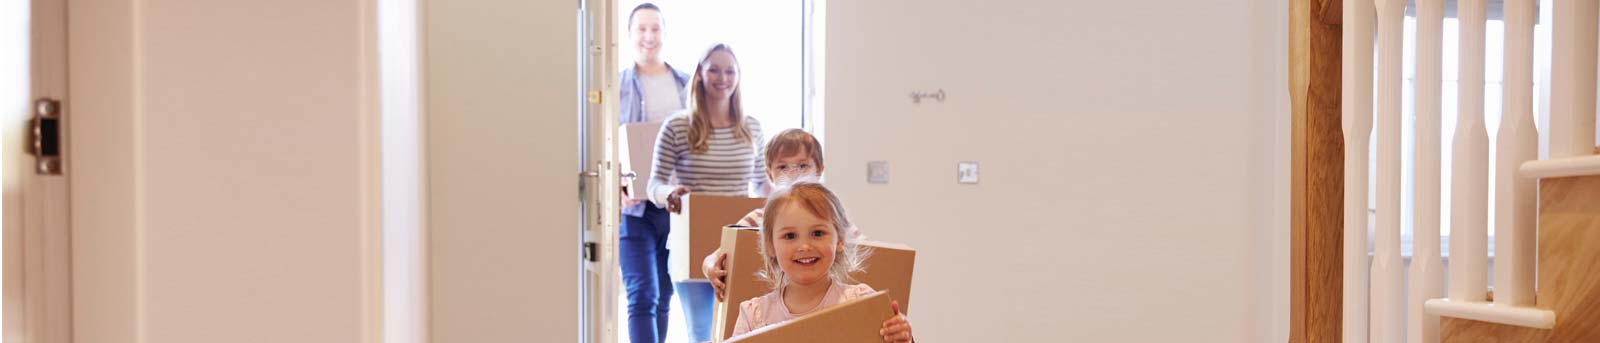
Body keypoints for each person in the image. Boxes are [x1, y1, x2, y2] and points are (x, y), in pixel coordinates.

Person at [642, 43, 766, 343]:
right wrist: (670, 192)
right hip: (692, 245)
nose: (722, 77)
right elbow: (653, 185)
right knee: (701, 332)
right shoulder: (678, 126)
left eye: (730, 71)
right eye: (714, 69)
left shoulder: (751, 127)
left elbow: (762, 184)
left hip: (739, 244)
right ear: (699, 75)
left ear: (738, 77)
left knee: (740, 331)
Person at [729, 183, 914, 342]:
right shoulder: (754, 316)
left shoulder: (861, 303)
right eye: (790, 236)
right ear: (770, 246)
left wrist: (901, 337)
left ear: (839, 239)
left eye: (817, 233)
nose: (804, 246)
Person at [617, 3, 693, 343]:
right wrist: (616, 182)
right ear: (630, 35)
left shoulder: (686, 85)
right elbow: (605, 141)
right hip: (634, 207)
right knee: (642, 294)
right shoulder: (617, 85)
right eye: (642, 29)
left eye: (655, 29)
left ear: (664, 33)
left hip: (675, 205)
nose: (649, 37)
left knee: (665, 295)